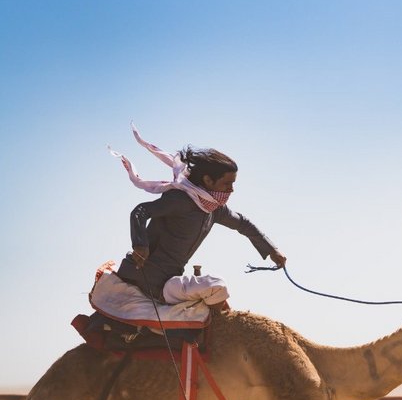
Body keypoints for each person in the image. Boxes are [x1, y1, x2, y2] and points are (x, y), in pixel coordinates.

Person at [110, 125, 286, 309]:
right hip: (146, 277)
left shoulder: (214, 209)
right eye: (227, 184)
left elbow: (243, 224)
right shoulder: (180, 199)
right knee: (217, 286)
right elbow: (140, 211)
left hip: (169, 281)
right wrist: (140, 244)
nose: (231, 190)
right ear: (208, 180)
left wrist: (272, 250)